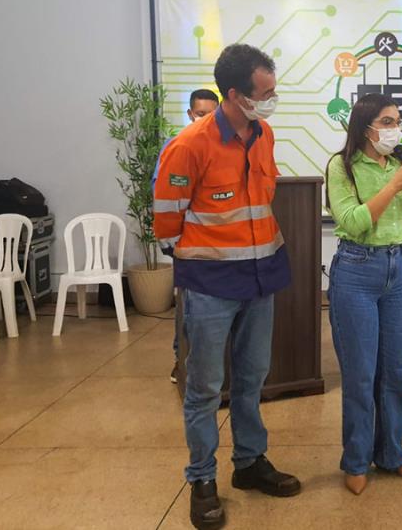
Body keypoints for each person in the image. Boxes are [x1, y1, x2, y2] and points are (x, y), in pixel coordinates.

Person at [153, 43, 300, 530]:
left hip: (260, 275)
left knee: (253, 377)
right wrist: (202, 258)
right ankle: (201, 479)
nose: (272, 100)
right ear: (235, 95)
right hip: (211, 284)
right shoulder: (189, 145)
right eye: (265, 93)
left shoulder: (264, 134)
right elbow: (167, 223)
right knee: (204, 387)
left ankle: (249, 463)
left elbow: (263, 195)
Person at [325, 93, 402, 495]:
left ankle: (392, 454)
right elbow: (353, 221)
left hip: (397, 269)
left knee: (394, 371)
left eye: (397, 121)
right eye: (386, 122)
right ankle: (356, 461)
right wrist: (395, 186)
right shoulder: (342, 166)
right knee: (360, 374)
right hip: (356, 270)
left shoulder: (399, 162)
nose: (394, 129)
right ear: (365, 126)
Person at [151, 88, 219, 385]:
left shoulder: (227, 146)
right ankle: (181, 361)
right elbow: (164, 196)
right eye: (201, 114)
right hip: (188, 245)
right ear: (190, 114)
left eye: (212, 114)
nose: (206, 119)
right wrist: (173, 242)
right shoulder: (177, 146)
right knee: (187, 307)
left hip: (220, 246)